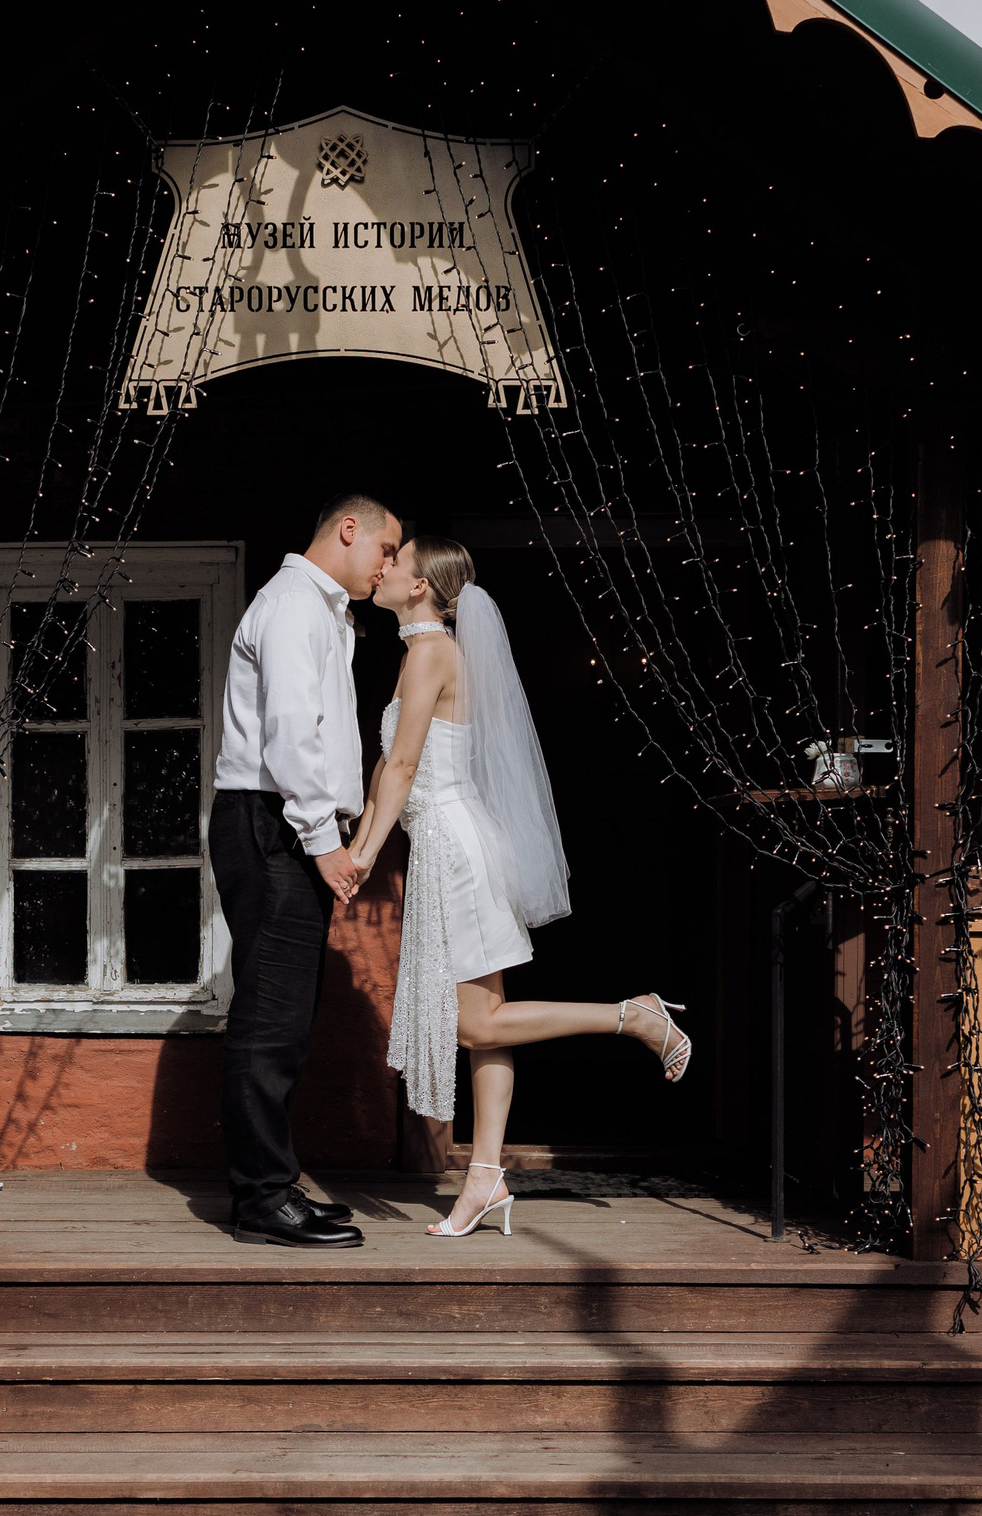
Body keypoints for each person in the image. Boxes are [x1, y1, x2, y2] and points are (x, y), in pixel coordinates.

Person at [347, 537, 690, 1239]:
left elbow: (404, 764)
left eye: (397, 561)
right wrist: (367, 838)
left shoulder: (429, 651)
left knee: (474, 1022)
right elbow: (393, 766)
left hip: (455, 851)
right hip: (451, 844)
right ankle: (486, 1179)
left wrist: (361, 855)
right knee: (485, 1023)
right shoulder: (427, 649)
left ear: (419, 587)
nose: (382, 568)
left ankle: (634, 1014)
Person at [210, 494, 404, 1249]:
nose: (389, 564)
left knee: (285, 1016)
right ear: (348, 529)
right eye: (386, 547)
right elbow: (293, 728)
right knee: (270, 1016)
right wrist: (322, 837)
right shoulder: (293, 602)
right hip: (272, 822)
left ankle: (271, 1185)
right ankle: (261, 1196)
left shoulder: (323, 610)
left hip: (279, 821)